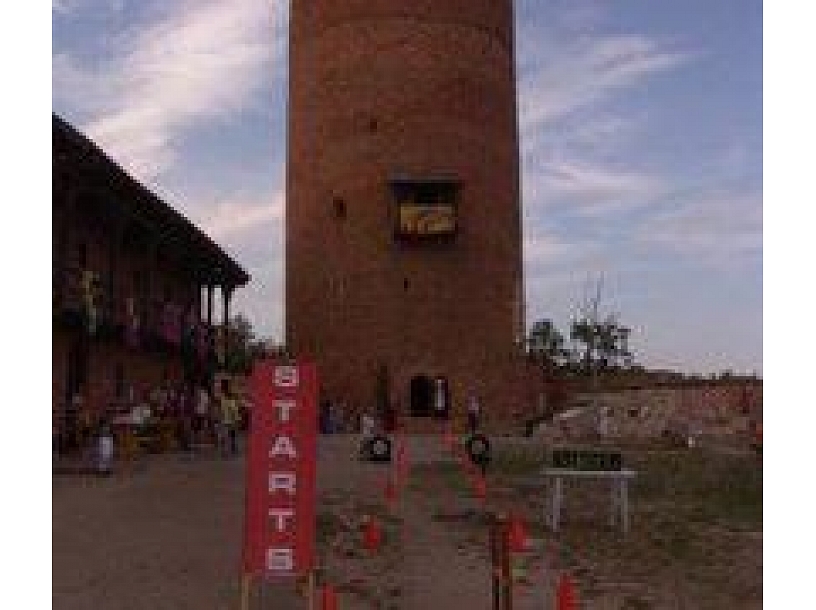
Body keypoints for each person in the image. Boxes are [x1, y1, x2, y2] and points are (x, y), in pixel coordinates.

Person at [218, 381, 240, 457]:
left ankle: (227, 450)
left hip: (227, 419)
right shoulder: (228, 398)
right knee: (230, 435)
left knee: (227, 436)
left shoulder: (224, 398)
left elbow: (231, 409)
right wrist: (236, 418)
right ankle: (230, 449)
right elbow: (234, 409)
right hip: (229, 420)